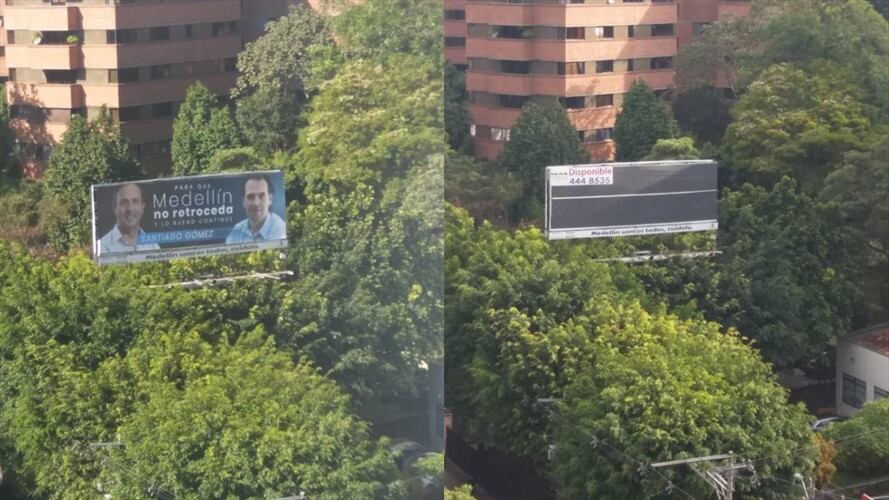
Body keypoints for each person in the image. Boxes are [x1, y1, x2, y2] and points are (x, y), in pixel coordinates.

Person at [98, 183, 160, 254]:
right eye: (124, 202)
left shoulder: (152, 244)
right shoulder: (103, 246)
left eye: (135, 201)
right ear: (115, 208)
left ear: (142, 207)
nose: (130, 209)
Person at [225, 174, 286, 244]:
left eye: (262, 196)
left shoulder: (279, 229)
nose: (256, 203)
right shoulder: (237, 229)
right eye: (251, 197)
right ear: (243, 201)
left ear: (270, 199)